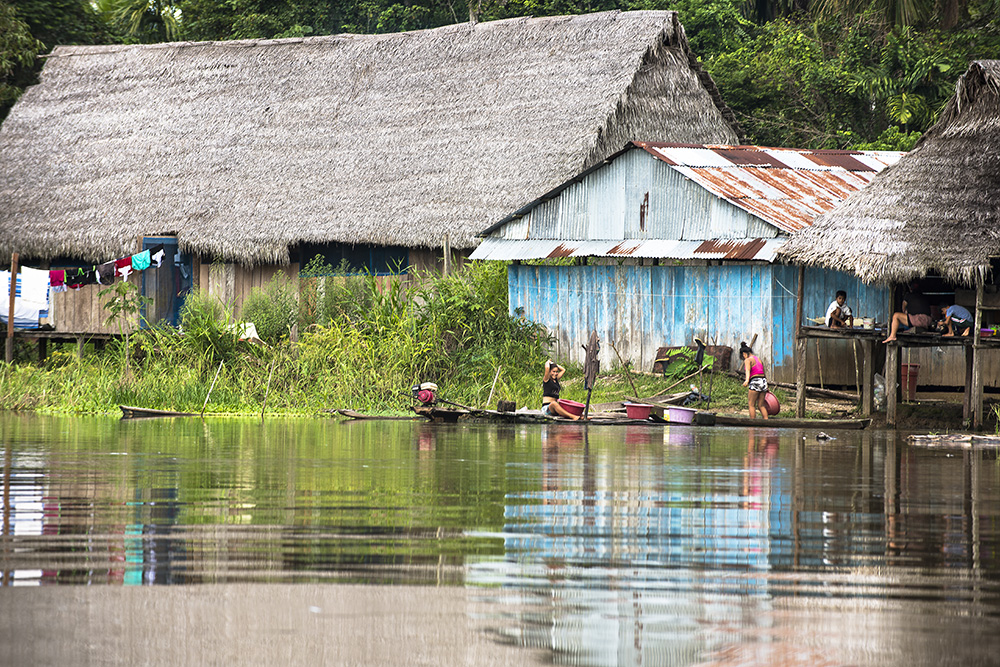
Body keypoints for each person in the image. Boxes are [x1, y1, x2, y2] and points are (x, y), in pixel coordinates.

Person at [740, 342, 769, 420]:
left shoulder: (748, 360)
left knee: (751, 404)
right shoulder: (758, 358)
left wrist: (746, 380)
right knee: (761, 405)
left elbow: (748, 370)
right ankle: (767, 422)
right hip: (763, 381)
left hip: (755, 381)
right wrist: (766, 385)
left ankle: (752, 424)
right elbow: (762, 371)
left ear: (744, 354)